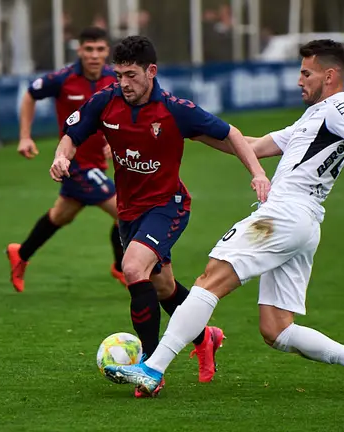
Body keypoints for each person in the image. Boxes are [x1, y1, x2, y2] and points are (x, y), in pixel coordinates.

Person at [104, 39, 344, 397]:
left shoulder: (341, 110)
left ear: (330, 75)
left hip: (283, 216)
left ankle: (152, 369)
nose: (299, 80)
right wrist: (193, 130)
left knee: (210, 278)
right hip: (303, 224)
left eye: (306, 73)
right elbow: (254, 145)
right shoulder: (314, 117)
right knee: (276, 329)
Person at [51, 36, 271, 397]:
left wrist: (257, 173)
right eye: (119, 75)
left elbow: (230, 133)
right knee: (162, 286)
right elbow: (72, 133)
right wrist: (62, 156)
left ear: (151, 72)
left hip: (168, 205)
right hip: (129, 210)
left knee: (133, 268)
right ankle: (205, 337)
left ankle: (151, 367)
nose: (124, 83)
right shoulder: (106, 101)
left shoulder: (174, 109)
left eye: (132, 75)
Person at [7, 27, 123, 291]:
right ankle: (120, 266)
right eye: (89, 49)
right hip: (74, 164)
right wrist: (25, 136)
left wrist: (112, 140)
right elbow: (30, 95)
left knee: (61, 216)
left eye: (100, 49)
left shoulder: (114, 79)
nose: (94, 55)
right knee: (126, 211)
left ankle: (21, 253)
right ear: (79, 50)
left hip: (96, 162)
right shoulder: (63, 79)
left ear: (107, 52)